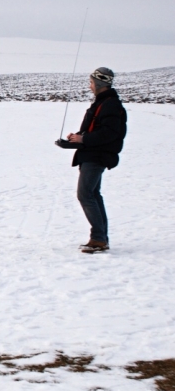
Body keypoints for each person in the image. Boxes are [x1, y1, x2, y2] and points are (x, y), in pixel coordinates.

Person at [56, 67, 127, 253]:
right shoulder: (103, 103)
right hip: (92, 154)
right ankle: (100, 238)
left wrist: (84, 139)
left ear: (99, 84)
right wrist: (78, 137)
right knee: (93, 195)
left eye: (91, 83)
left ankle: (98, 239)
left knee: (85, 194)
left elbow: (110, 133)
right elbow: (97, 129)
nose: (90, 86)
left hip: (97, 156)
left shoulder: (110, 104)